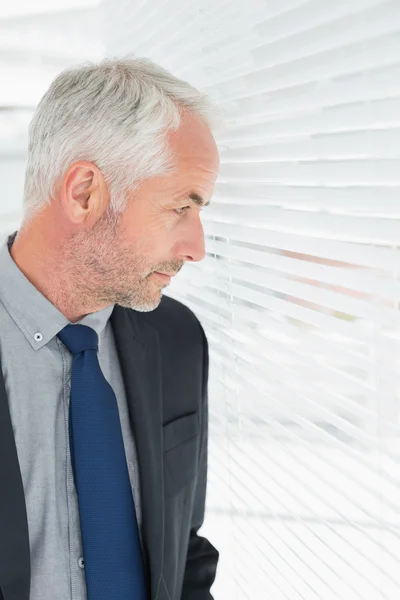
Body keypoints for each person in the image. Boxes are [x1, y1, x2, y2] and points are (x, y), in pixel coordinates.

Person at [0, 57, 220, 600]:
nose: (197, 246)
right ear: (84, 194)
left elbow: (184, 551)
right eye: (179, 208)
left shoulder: (178, 339)